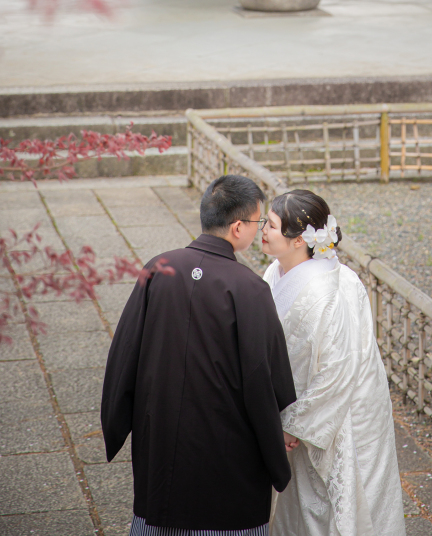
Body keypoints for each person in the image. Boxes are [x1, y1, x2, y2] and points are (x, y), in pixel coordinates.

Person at [101, 174, 296, 536]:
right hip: (228, 446)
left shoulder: (158, 268)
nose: (258, 230)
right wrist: (277, 429)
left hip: (161, 434)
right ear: (238, 227)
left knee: (159, 515)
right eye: (256, 222)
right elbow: (265, 376)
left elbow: (125, 351)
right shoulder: (250, 288)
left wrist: (118, 417)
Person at [261, 188, 405, 536]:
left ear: (299, 241)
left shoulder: (334, 288)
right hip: (294, 405)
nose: (262, 229)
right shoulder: (273, 273)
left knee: (337, 507)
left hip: (338, 412)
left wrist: (294, 424)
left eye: (272, 225)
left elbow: (339, 369)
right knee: (296, 505)